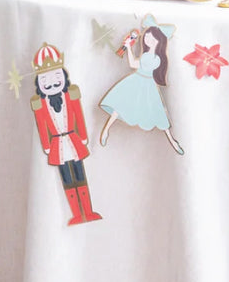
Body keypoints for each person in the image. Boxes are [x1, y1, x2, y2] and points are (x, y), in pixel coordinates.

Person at [29, 43, 101, 225]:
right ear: (39, 83)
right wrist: (46, 144)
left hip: (73, 139)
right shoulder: (40, 104)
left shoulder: (71, 95)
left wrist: (83, 135)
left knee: (80, 174)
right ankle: (77, 213)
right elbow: (41, 124)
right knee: (67, 179)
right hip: (56, 145)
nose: (51, 82)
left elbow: (78, 115)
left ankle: (88, 210)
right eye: (45, 79)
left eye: (55, 76)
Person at [99, 21, 183, 154]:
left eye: (151, 37)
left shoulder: (156, 59)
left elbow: (135, 64)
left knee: (158, 113)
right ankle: (105, 131)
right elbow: (134, 63)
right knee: (120, 105)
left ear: (158, 41)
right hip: (136, 80)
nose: (147, 39)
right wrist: (128, 48)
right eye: (147, 37)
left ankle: (172, 140)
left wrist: (130, 49)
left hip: (146, 84)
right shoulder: (146, 55)